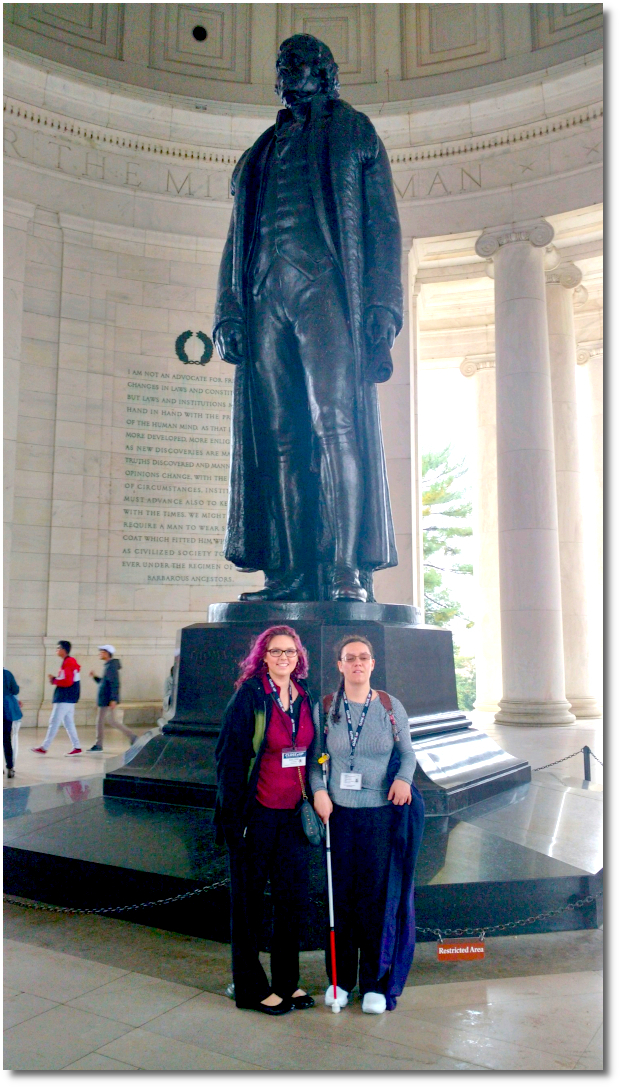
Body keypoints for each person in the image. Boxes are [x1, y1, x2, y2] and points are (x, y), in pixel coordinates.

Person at [213, 33, 402, 603]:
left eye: (300, 62)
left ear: (324, 72)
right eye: (282, 63)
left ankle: (347, 570)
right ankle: (289, 574)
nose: (288, 70)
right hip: (268, 289)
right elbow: (236, 239)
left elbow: (383, 226)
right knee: (282, 441)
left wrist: (382, 306)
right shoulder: (261, 151)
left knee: (335, 423)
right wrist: (228, 307)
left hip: (326, 288)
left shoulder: (353, 131)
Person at [309, 635, 420, 1014]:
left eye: (363, 658)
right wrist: (319, 791)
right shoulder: (326, 708)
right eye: (349, 658)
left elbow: (407, 754)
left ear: (372, 664)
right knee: (339, 901)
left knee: (375, 900)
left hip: (378, 817)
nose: (357, 663)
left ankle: (374, 982)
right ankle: (339, 980)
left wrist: (403, 780)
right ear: (339, 665)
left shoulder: (390, 706)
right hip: (337, 815)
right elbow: (315, 760)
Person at [215, 625, 316, 1015]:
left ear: (298, 656)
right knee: (248, 905)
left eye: (290, 651)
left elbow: (312, 752)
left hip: (293, 817)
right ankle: (250, 987)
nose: (283, 658)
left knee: (292, 902)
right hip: (254, 817)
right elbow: (229, 759)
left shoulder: (305, 695)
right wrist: (233, 818)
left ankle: (286, 983)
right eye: (276, 651)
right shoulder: (251, 695)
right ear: (263, 656)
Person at [31, 640, 82, 756]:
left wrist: (54, 680)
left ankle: (44, 747)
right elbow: (68, 679)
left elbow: (68, 681)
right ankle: (77, 747)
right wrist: (55, 679)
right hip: (69, 698)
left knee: (54, 722)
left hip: (65, 698)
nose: (56, 650)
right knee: (69, 723)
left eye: (58, 648)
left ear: (64, 650)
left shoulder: (68, 662)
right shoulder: (69, 662)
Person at [89, 645, 136, 751]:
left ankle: (99, 744)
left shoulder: (111, 667)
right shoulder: (109, 666)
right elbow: (104, 683)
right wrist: (95, 677)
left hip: (107, 699)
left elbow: (114, 683)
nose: (100, 654)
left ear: (106, 653)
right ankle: (132, 736)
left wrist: (113, 699)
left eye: (101, 652)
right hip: (106, 699)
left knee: (100, 721)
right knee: (112, 721)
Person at [3, 668, 22, 778]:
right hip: (5, 709)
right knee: (6, 739)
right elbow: (15, 690)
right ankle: (10, 767)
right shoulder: (7, 674)